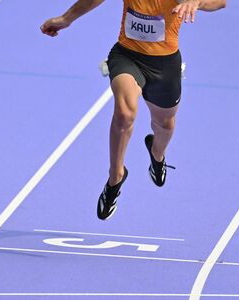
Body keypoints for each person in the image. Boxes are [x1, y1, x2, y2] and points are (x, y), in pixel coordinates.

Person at [41, 0, 226, 220]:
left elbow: (220, 2)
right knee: (125, 113)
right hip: (127, 56)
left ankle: (157, 155)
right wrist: (66, 19)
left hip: (165, 66)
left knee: (164, 124)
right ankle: (115, 176)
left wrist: (197, 2)